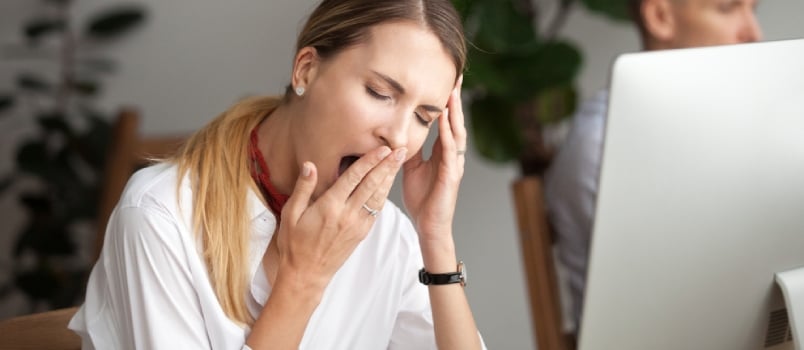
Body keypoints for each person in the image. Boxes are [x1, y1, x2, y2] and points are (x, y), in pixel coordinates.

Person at [68, 0, 487, 349]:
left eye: (422, 117)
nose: (397, 136)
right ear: (306, 69)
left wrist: (435, 236)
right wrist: (303, 279)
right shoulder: (159, 217)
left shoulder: (388, 236)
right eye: (380, 93)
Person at [544, 0, 762, 335]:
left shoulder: (748, 122)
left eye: (754, 10)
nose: (753, 34)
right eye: (727, 9)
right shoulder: (606, 143)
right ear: (660, 16)